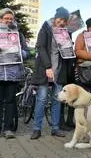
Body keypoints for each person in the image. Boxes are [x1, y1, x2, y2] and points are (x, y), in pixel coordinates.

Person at [0, 8, 29, 140]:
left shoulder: (18, 35)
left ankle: (8, 129)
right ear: (0, 19)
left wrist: (19, 53)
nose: (9, 20)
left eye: (11, 18)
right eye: (6, 18)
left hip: (12, 73)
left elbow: (26, 52)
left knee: (10, 101)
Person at [30, 7, 71, 139]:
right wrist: (47, 67)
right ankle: (37, 128)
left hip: (58, 71)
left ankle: (55, 128)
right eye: (60, 19)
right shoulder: (46, 28)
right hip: (44, 70)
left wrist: (69, 48)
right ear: (55, 18)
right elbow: (40, 47)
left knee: (57, 100)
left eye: (64, 20)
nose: (62, 22)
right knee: (41, 99)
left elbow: (67, 52)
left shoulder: (66, 33)